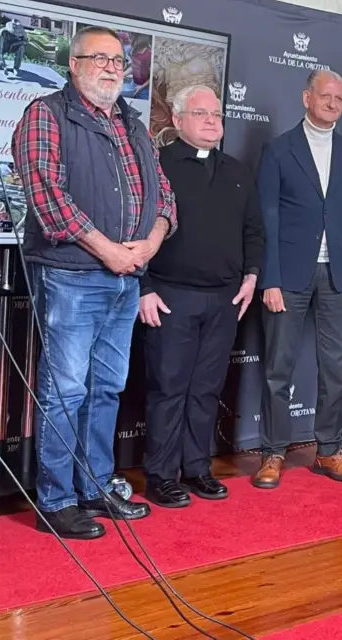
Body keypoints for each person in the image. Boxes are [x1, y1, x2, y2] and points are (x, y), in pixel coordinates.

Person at [12, 25, 177, 539]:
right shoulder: (47, 113)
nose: (112, 67)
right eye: (100, 58)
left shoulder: (133, 123)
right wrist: (107, 250)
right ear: (73, 64)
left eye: (118, 61)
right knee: (65, 390)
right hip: (72, 276)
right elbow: (46, 194)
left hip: (127, 278)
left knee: (105, 389)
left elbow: (165, 195)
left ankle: (94, 485)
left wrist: (149, 243)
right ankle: (56, 500)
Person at [137, 85, 264, 508]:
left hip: (225, 299)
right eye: (201, 113)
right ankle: (160, 475)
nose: (212, 121)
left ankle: (197, 469)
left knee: (207, 389)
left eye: (217, 114)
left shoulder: (238, 171)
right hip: (171, 296)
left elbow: (253, 230)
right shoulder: (155, 168)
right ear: (177, 120)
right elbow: (135, 231)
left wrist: (251, 277)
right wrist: (145, 288)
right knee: (169, 389)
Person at [253, 70, 342, 488]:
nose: (333, 104)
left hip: (339, 275)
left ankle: (329, 450)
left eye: (339, 98)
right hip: (289, 275)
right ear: (307, 97)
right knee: (278, 367)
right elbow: (267, 218)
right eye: (325, 96)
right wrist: (271, 279)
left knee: (335, 367)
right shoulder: (280, 150)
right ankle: (272, 453)